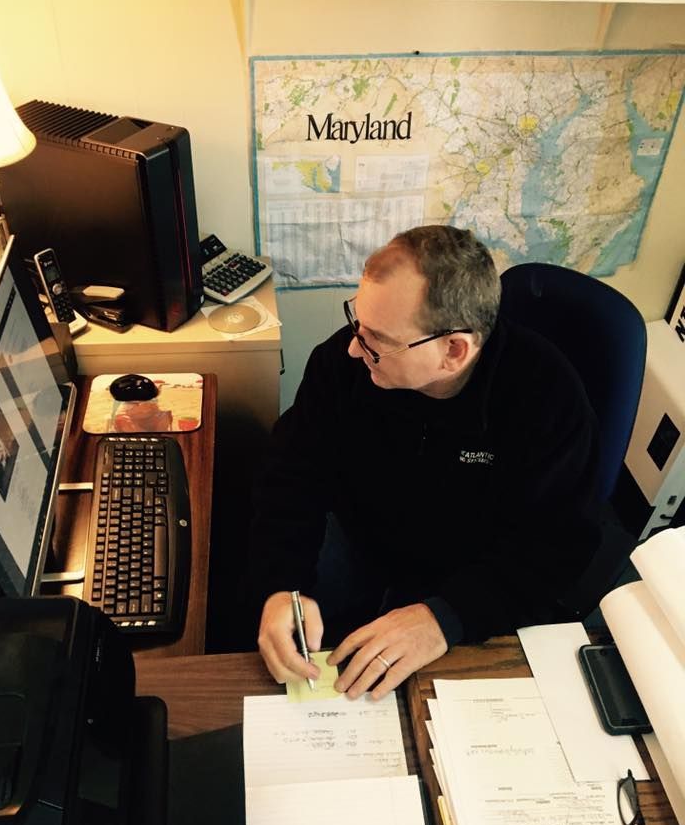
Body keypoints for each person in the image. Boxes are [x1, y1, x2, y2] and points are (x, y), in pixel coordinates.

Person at [248, 224, 610, 701]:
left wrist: (448, 615)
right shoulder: (344, 364)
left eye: (378, 338)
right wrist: (281, 586)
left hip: (477, 577)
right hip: (366, 543)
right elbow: (293, 476)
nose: (355, 346)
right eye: (357, 321)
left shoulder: (548, 400)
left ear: (453, 351)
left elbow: (555, 547)